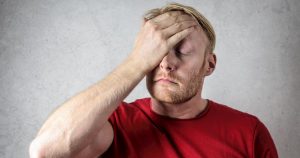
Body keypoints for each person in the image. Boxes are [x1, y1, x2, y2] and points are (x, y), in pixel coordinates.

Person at [29, 3, 278, 158]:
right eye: (156, 51)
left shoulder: (248, 132)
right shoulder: (114, 123)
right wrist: (136, 62)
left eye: (181, 50)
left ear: (209, 64)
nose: (166, 63)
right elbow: (44, 151)